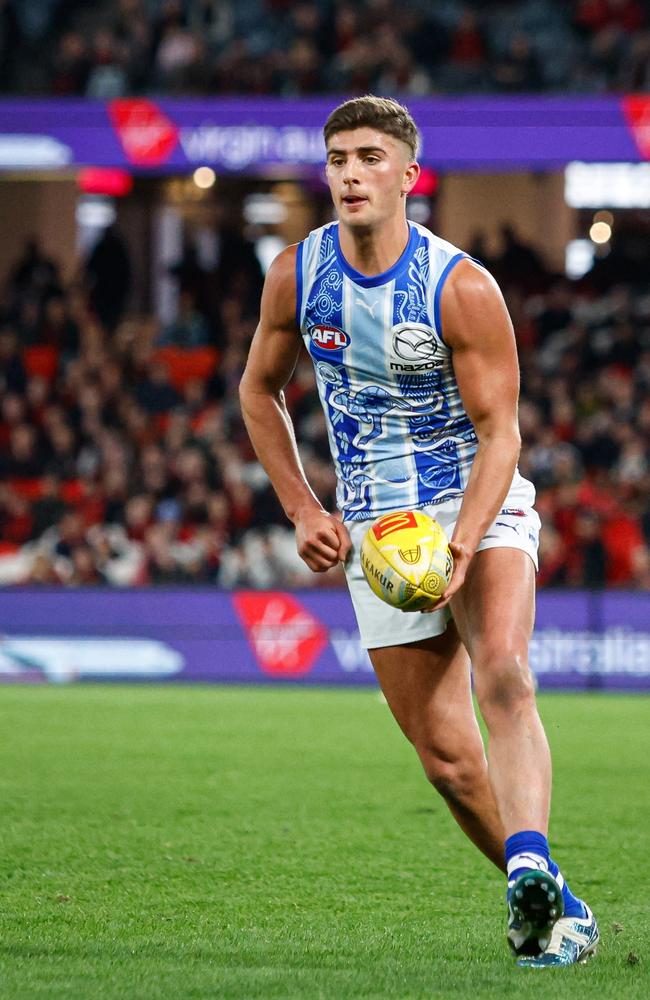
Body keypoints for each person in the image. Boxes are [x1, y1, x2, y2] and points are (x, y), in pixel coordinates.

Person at [239, 95, 598, 968]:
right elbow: (259, 391)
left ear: (408, 175)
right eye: (336, 159)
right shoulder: (295, 274)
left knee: (505, 673)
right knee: (444, 759)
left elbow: (501, 433)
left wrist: (468, 541)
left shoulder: (461, 286)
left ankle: (532, 866)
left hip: (476, 503)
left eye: (368, 158)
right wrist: (302, 507)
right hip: (374, 529)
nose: (350, 174)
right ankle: (546, 895)